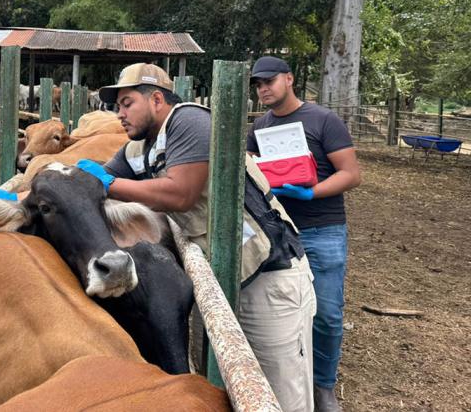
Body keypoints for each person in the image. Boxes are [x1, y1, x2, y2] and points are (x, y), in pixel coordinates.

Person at [78, 62, 316, 412]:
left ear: (157, 99)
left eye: (127, 103)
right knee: (231, 383)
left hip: (270, 275)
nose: (120, 114)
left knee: (279, 392)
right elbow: (91, 182)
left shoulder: (189, 121)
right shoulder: (139, 149)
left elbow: (180, 194)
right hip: (228, 274)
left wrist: (109, 184)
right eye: (117, 107)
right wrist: (29, 193)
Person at [247, 56, 361, 412]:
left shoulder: (324, 120)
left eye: (269, 81)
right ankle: (291, 377)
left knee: (326, 312)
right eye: (258, 84)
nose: (263, 89)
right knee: (286, 308)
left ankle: (324, 386)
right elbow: (253, 170)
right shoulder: (260, 126)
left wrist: (312, 193)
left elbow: (351, 174)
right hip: (281, 232)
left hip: (323, 227)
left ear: (289, 79)